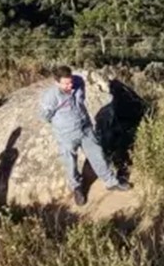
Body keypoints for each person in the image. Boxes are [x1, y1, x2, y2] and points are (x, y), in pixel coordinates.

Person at [39, 65, 130, 206]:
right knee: (70, 163)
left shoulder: (79, 81)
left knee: (98, 154)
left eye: (71, 81)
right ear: (57, 82)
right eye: (66, 83)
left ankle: (110, 182)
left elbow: (81, 99)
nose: (70, 85)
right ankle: (77, 188)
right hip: (66, 135)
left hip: (86, 128)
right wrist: (63, 125)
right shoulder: (50, 97)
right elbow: (45, 117)